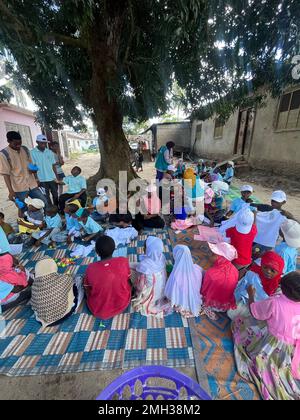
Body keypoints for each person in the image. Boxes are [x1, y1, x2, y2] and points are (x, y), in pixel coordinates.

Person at [232, 271, 300, 400]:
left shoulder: (275, 302)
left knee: (239, 323)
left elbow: (255, 312)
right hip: (289, 349)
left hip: (269, 344)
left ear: (283, 288)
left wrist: (251, 293)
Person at [84, 235, 131, 319]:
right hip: (122, 304)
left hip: (98, 309)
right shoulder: (123, 261)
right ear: (114, 249)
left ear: (97, 252)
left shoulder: (90, 268)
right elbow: (128, 279)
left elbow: (88, 289)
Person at [0, 131, 47, 212]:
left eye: (20, 143)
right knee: (23, 208)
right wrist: (11, 191)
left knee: (44, 202)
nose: (19, 145)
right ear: (9, 141)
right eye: (16, 144)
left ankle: (49, 221)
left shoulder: (25, 149)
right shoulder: (4, 154)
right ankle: (28, 223)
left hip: (32, 184)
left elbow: (31, 165)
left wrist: (36, 177)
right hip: (19, 187)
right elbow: (6, 174)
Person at [31, 258, 77, 327]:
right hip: (63, 315)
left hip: (42, 319)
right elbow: (70, 279)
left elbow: (34, 305)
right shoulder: (63, 279)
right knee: (73, 286)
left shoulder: (34, 286)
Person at [132, 236, 170, 317]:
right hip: (162, 291)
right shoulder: (161, 256)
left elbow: (140, 284)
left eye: (145, 247)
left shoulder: (144, 265)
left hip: (151, 294)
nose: (143, 248)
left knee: (133, 274)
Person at [200, 242, 239, 319]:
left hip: (213, 305)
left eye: (213, 255)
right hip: (225, 306)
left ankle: (208, 307)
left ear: (221, 258)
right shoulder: (235, 270)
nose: (210, 256)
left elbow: (204, 290)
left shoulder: (212, 274)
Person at [164, 245, 203, 317]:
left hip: (181, 300)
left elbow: (169, 293)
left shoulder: (176, 276)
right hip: (194, 296)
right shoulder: (198, 269)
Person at [30, 134, 59, 206]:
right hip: (41, 179)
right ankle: (50, 209)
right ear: (37, 142)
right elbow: (33, 166)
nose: (43, 144)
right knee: (46, 196)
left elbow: (53, 165)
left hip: (52, 178)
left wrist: (56, 177)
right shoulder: (32, 152)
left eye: (45, 143)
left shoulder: (49, 152)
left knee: (55, 195)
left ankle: (56, 208)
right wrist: (36, 179)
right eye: (41, 143)